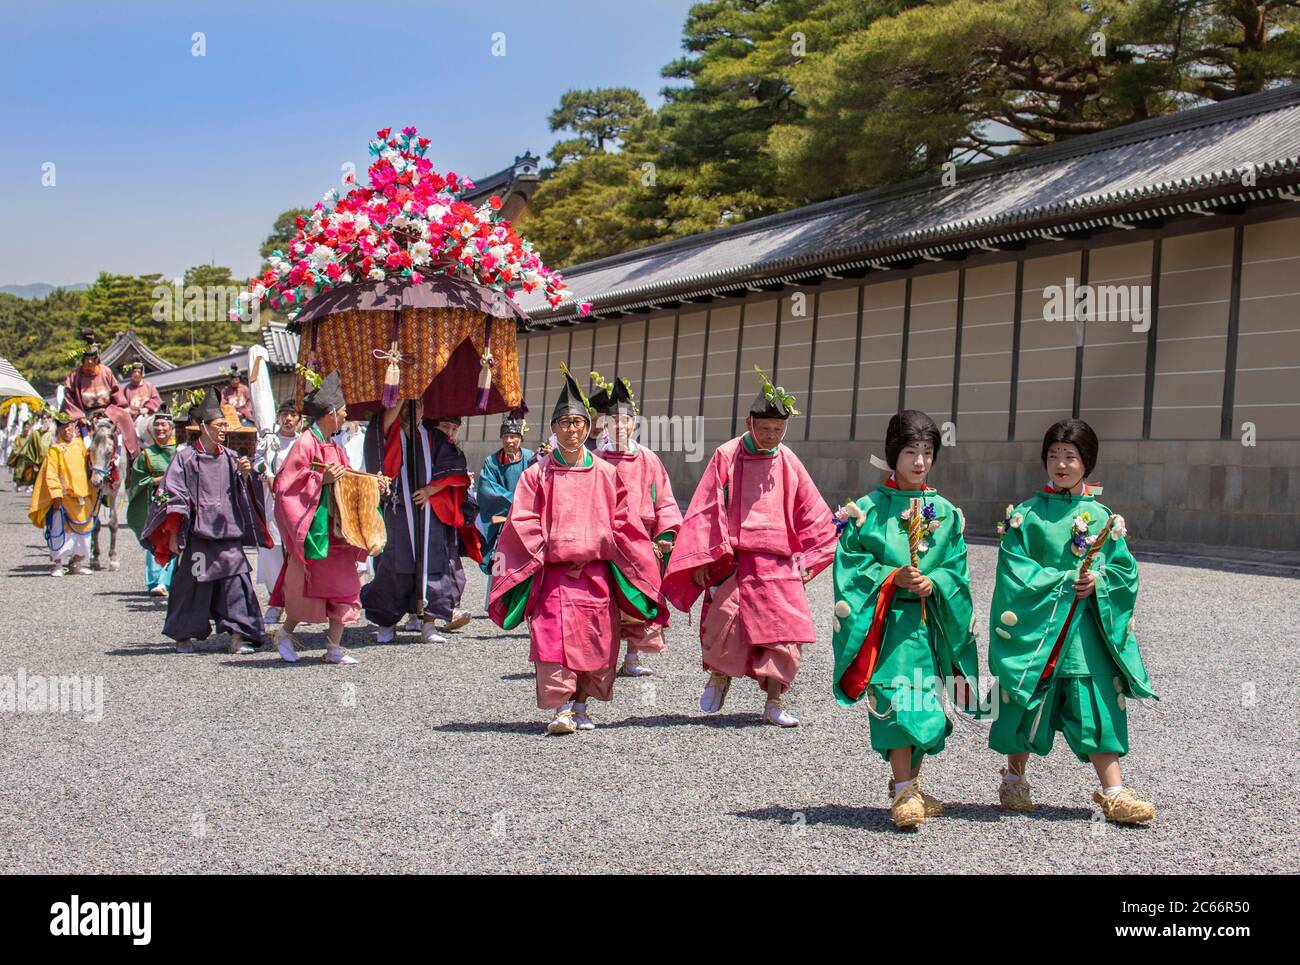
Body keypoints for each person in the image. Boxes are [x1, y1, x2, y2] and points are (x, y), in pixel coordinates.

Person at [988, 418, 1157, 825]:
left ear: (1087, 463)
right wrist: (1066, 581)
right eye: (1053, 456)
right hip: (1038, 632)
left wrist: (1098, 582)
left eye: (1070, 457)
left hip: (1084, 634)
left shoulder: (1103, 517)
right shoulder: (1024, 517)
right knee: (1028, 699)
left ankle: (1114, 791)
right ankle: (1014, 778)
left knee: (1097, 701)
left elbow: (1125, 572)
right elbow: (1014, 571)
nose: (1061, 465)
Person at [487, 365, 661, 735]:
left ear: (588, 428)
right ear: (553, 428)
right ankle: (562, 708)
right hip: (553, 575)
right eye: (564, 422)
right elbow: (523, 520)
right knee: (551, 640)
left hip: (596, 574)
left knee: (596, 643)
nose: (571, 429)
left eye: (578, 423)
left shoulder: (606, 473)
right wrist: (545, 546)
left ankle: (581, 704)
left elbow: (623, 523)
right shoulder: (537, 474)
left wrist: (639, 555)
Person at [662, 367, 837, 727]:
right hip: (736, 558)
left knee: (784, 633)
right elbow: (707, 506)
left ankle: (774, 702)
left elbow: (811, 508)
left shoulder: (787, 459)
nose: (772, 435)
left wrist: (811, 557)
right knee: (725, 624)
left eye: (779, 429)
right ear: (750, 422)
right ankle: (720, 675)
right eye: (766, 428)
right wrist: (706, 554)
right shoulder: (727, 455)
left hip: (779, 562)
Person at [830, 410, 980, 829]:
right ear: (893, 455)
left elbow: (957, 569)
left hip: (929, 625)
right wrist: (891, 576)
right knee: (898, 703)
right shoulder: (866, 510)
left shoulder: (946, 513)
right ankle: (902, 791)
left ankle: (908, 785)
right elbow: (851, 567)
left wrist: (936, 583)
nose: (919, 462)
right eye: (911, 451)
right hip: (887, 628)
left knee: (926, 708)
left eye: (927, 453)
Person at [140, 388, 269, 654]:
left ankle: (239, 636)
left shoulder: (233, 458)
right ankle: (183, 635)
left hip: (228, 535)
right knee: (192, 585)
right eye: (218, 425)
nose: (223, 430)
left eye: (225, 425)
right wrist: (174, 534)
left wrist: (246, 476)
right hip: (199, 537)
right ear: (203, 427)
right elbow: (172, 495)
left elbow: (245, 493)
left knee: (237, 585)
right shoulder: (184, 458)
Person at [270, 372, 370, 665]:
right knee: (307, 588)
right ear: (330, 414)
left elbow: (347, 478)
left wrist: (370, 483)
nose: (346, 416)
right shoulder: (305, 442)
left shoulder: (335, 445)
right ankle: (285, 634)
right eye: (343, 412)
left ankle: (333, 647)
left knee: (345, 588)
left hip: (339, 529)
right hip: (315, 529)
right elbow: (285, 485)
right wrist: (320, 478)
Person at [361, 401, 479, 644]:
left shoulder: (433, 436)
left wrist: (430, 490)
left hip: (428, 512)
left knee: (433, 565)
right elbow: (381, 425)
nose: (413, 412)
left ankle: (428, 624)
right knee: (394, 565)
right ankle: (387, 623)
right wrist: (402, 396)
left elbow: (454, 469)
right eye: (408, 407)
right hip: (398, 510)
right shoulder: (390, 432)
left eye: (418, 406)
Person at [588, 373, 681, 678]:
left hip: (641, 540)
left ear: (633, 425)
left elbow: (665, 499)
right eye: (612, 421)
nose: (618, 426)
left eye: (625, 421)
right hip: (606, 541)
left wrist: (665, 532)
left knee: (638, 597)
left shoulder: (648, 459)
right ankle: (605, 657)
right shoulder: (596, 459)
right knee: (607, 600)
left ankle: (633, 656)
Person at [28, 411, 99, 577]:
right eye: (64, 428)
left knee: (83, 532)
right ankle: (58, 564)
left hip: (83, 495)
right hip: (64, 498)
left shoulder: (81, 445)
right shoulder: (55, 450)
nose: (68, 431)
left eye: (70, 427)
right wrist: (56, 495)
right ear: (59, 431)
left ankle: (77, 562)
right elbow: (51, 474)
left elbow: (92, 461)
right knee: (60, 531)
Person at [475, 408, 540, 583]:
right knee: (500, 559)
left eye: (514, 437)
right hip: (500, 519)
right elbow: (487, 490)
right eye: (506, 437)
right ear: (501, 438)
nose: (510, 441)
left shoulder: (530, 458)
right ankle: (496, 601)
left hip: (524, 518)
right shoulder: (492, 461)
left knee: (524, 560)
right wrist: (516, 501)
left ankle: (522, 603)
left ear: (520, 438)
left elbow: (538, 483)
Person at [254, 399, 301, 624]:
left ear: (300, 420)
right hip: (273, 506)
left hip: (297, 506)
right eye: (284, 414)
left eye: (292, 415)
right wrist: (267, 474)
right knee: (274, 555)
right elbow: (258, 463)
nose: (288, 419)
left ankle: (296, 603)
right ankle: (275, 603)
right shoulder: (269, 442)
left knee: (295, 556)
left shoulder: (304, 443)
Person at [126, 409, 179, 597]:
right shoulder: (147, 455)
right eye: (156, 426)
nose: (159, 429)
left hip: (177, 503)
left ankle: (169, 581)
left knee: (174, 539)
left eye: (163, 425)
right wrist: (159, 480)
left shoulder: (181, 450)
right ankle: (156, 581)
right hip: (155, 504)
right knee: (156, 539)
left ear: (172, 428)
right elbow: (138, 481)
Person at [62, 340, 140, 460]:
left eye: (92, 358)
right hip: (84, 415)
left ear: (97, 358)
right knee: (70, 439)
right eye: (86, 358)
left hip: (108, 410)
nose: (89, 361)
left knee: (125, 418)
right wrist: (79, 416)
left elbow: (116, 393)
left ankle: (134, 458)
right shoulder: (74, 376)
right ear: (82, 359)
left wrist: (122, 408)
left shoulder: (106, 372)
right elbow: (68, 399)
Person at [10, 409, 53, 492]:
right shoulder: (36, 433)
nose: (46, 420)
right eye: (44, 419)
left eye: (48, 418)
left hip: (50, 461)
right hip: (36, 460)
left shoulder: (54, 432)